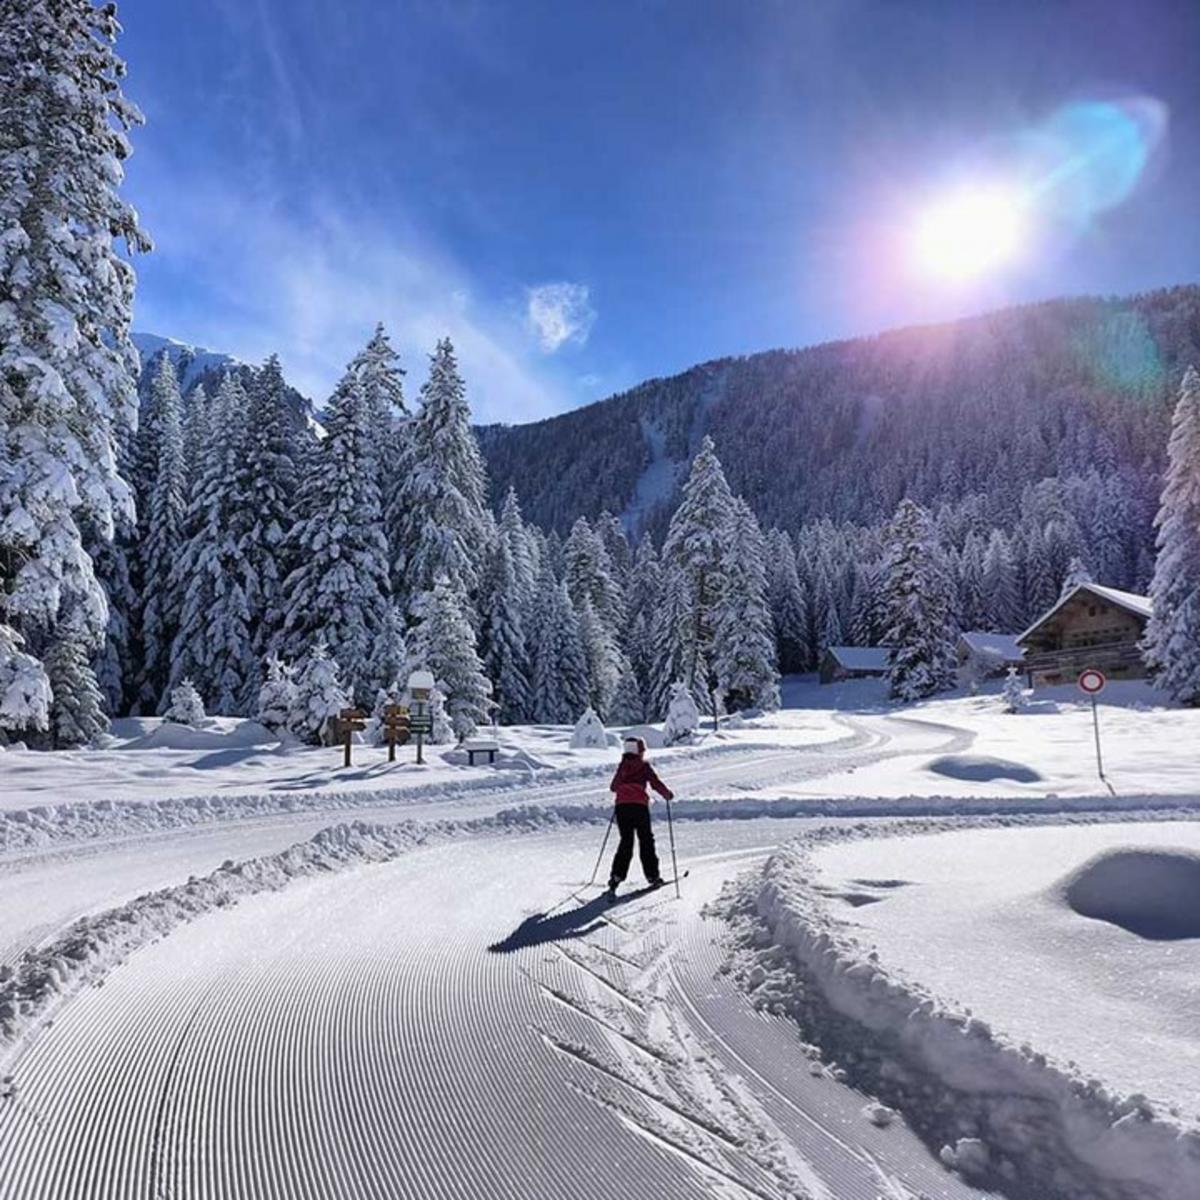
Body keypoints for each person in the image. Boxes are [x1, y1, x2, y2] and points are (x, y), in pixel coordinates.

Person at [607, 736, 673, 898]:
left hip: (622, 808)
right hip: (639, 807)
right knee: (646, 840)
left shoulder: (622, 766)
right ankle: (652, 876)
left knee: (626, 842)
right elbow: (655, 783)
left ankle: (616, 877)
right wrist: (667, 794)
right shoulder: (644, 766)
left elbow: (613, 787)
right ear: (640, 751)